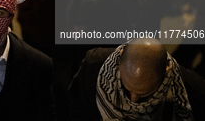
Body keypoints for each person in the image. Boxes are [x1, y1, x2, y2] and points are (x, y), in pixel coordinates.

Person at [69, 38, 205, 120]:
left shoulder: (192, 92)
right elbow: (74, 112)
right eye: (127, 89)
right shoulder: (93, 68)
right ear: (120, 59)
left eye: (143, 94)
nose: (132, 100)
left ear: (166, 72)